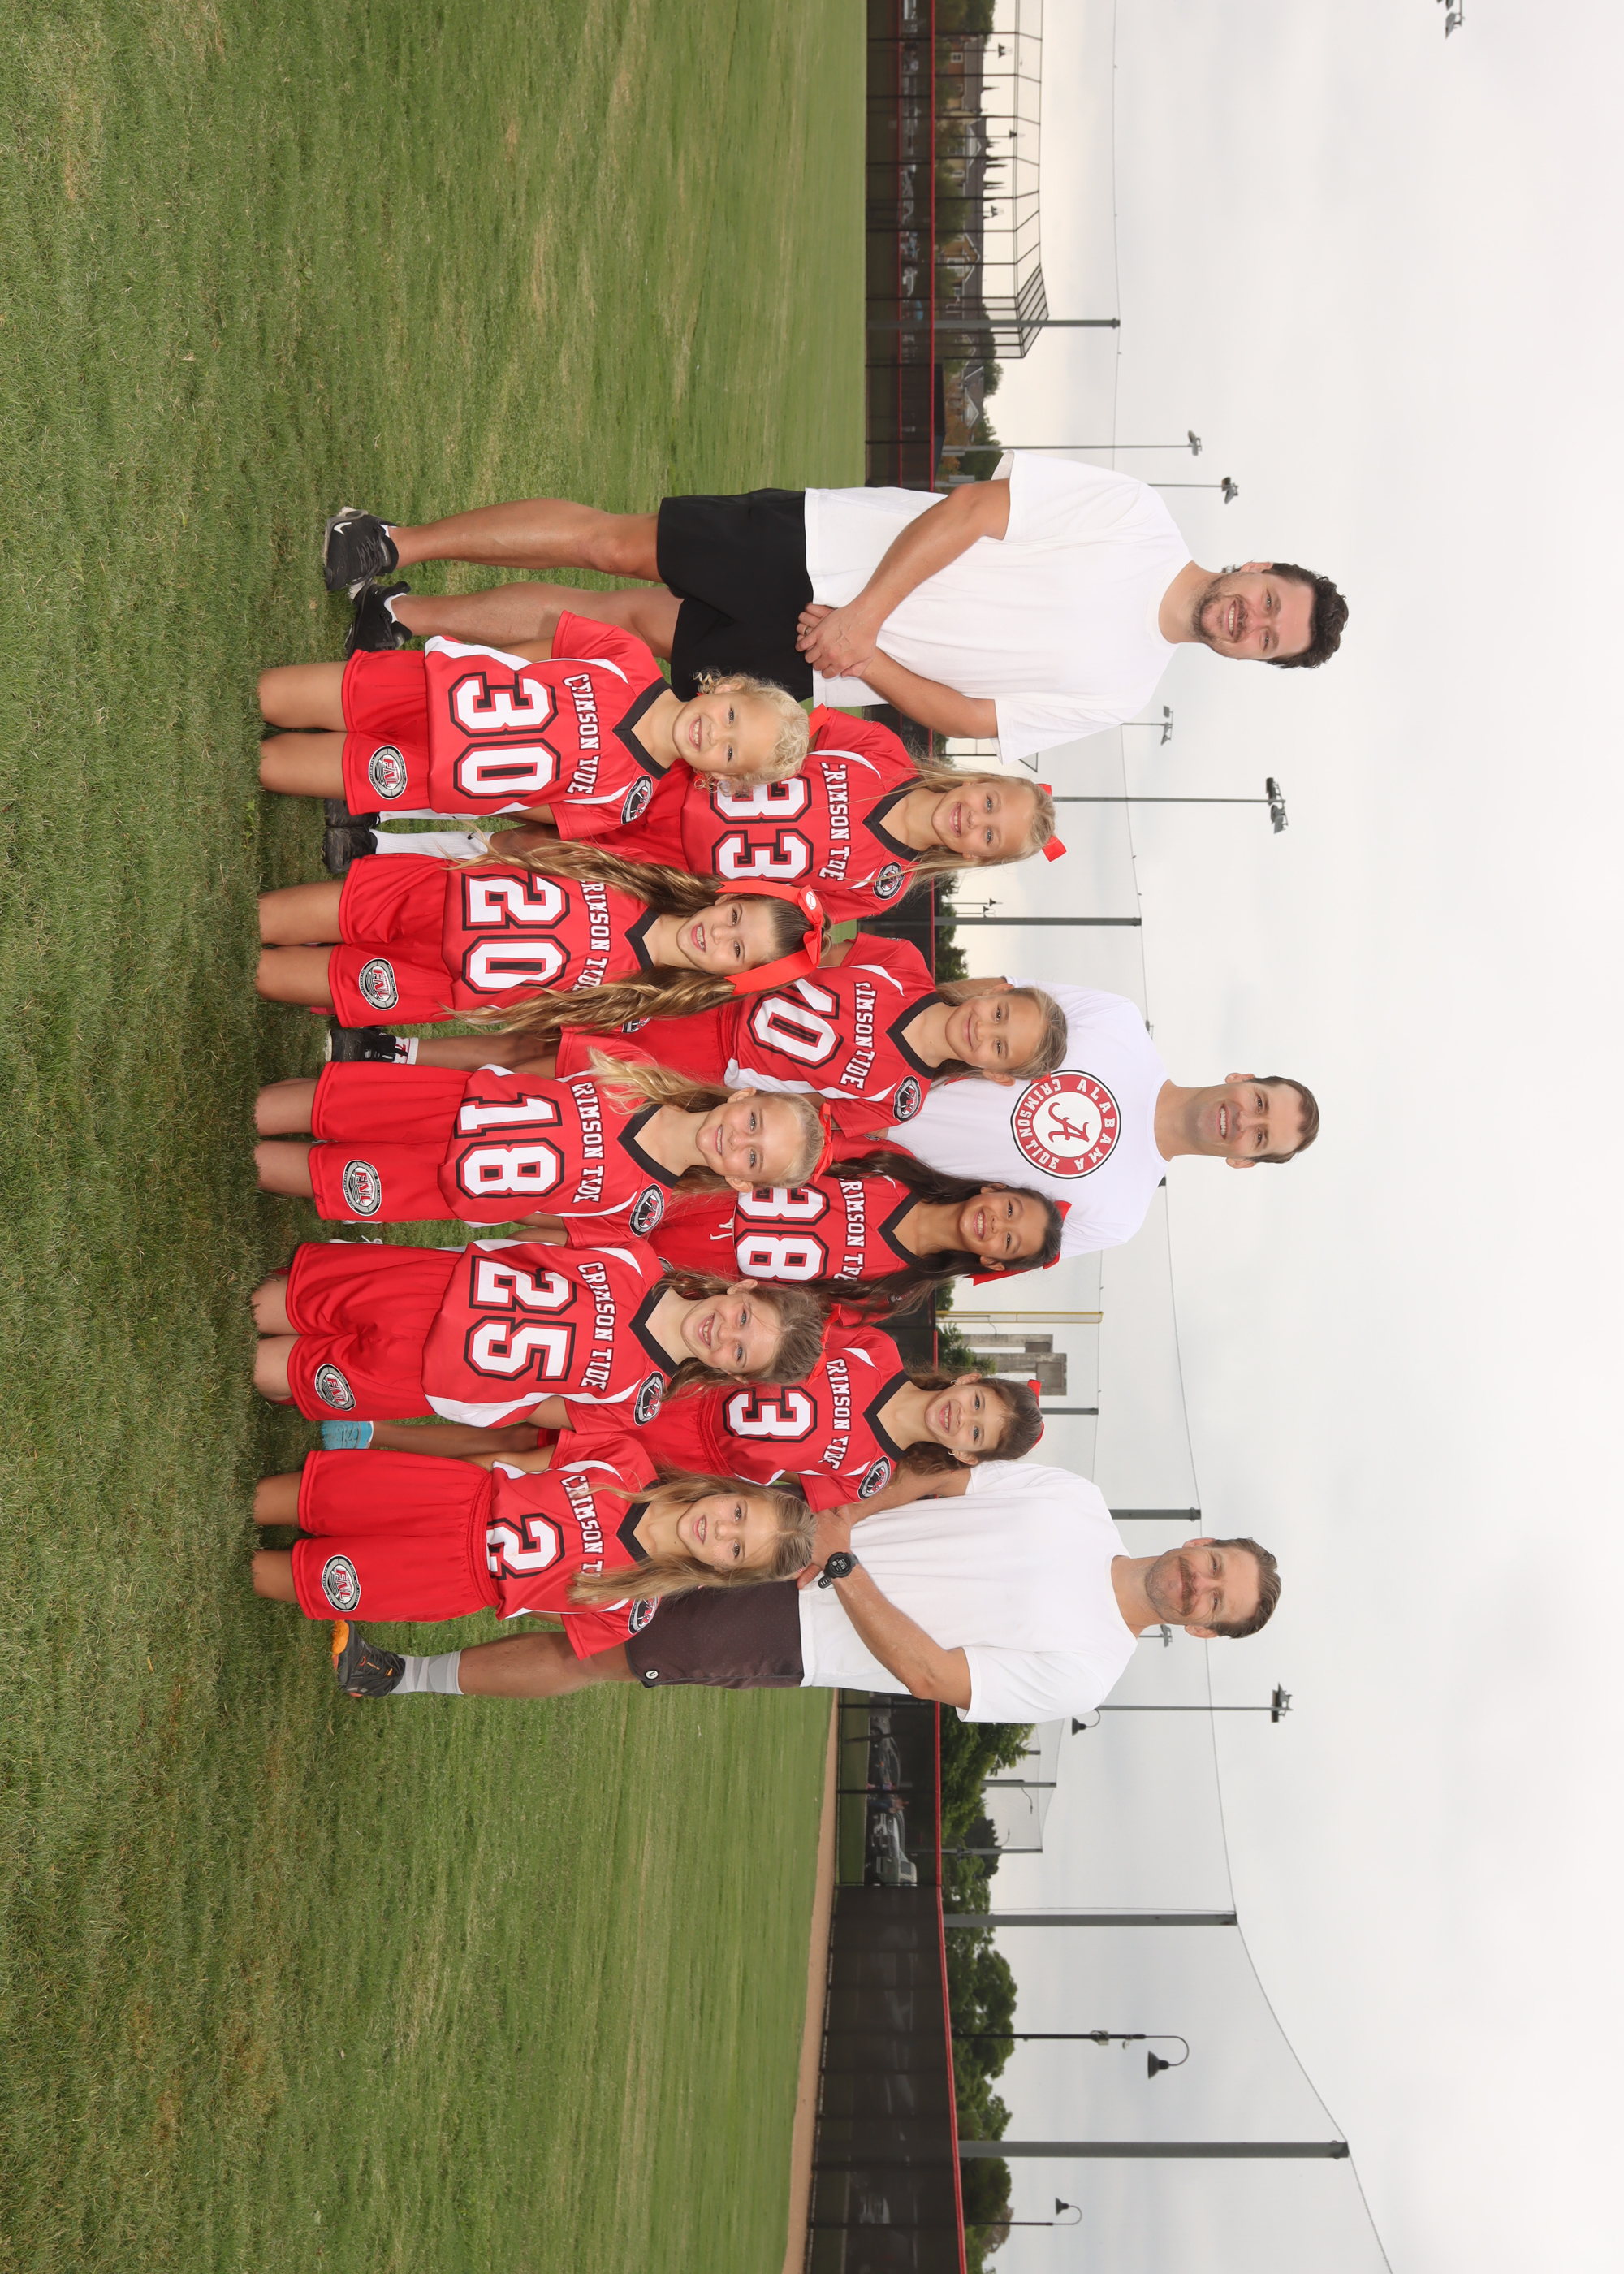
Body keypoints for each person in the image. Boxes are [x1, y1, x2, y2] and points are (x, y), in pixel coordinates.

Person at [318, 469, 1348, 765]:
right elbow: (974, 511)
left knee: (610, 628)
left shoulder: (1123, 691)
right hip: (823, 546)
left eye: (1266, 638)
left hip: (820, 659)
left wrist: (865, 653)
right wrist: (866, 610)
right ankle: (392, 542)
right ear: (1257, 566)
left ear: (1250, 659)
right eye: (1267, 602)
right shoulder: (1136, 518)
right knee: (614, 546)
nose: (1247, 620)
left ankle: (405, 615)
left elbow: (973, 718)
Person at [325, 1457, 1280, 1711]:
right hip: (789, 1534)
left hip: (797, 1633)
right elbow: (937, 1478)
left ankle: (398, 1674)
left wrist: (843, 1571)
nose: (1198, 1583)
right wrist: (836, 1522)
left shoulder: (1088, 1671)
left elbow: (935, 1675)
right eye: (1214, 1565)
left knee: (595, 1650)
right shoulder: (1077, 1499)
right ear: (1198, 1541)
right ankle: (388, 1533)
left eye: (1215, 1601)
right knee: (604, 1522)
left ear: (1201, 1631)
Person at [348, 707, 1064, 922]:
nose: (973, 819)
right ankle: (385, 790)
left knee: (530, 855)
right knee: (531, 787)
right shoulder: (880, 752)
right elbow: (784, 733)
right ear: (980, 780)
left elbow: (783, 909)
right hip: (677, 783)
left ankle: (384, 852)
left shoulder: (880, 888)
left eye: (989, 835)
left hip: (678, 865)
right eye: (990, 802)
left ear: (977, 857)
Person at [257, 616, 807, 849]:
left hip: (425, 773)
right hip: (427, 689)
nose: (714, 736)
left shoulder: (627, 800)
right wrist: (464, 667)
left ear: (718, 778)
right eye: (732, 718)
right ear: (727, 687)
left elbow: (526, 805)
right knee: (271, 695)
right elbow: (523, 658)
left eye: (730, 753)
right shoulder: (628, 657)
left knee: (273, 765)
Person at [250, 1422, 814, 1641]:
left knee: (285, 1578)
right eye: (738, 1513)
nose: (720, 1529)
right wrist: (428, 1477)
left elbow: (544, 1607)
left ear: (723, 1571)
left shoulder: (630, 1606)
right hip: (452, 1497)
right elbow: (512, 1461)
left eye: (735, 1548)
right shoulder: (625, 1460)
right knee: (285, 1499)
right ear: (730, 1489)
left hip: (455, 1580)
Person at [879, 981, 1320, 1260]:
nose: (1244, 1121)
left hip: (864, 1170)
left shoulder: (1119, 1218)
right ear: (1241, 1078)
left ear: (1242, 1162)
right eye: (1259, 1102)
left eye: (1259, 1137)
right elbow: (982, 1000)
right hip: (868, 1071)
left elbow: (976, 1250)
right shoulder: (1116, 1020)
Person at [249, 1237, 827, 1425]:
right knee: (269, 1305)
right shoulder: (636, 1258)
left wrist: (468, 1405)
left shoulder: (638, 1397)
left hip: (433, 1376)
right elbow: (533, 1243)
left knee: (270, 1371)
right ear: (742, 1288)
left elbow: (541, 1408)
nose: (724, 1334)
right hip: (432, 1288)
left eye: (740, 1353)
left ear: (733, 1375)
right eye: (744, 1319)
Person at [253, 842, 823, 1030]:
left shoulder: (636, 1000)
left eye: (737, 949)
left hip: (434, 983)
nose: (718, 934)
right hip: (433, 897)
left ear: (734, 977)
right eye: (734, 916)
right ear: (728, 896)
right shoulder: (642, 874)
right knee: (262, 920)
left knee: (261, 973)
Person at [251, 1050, 829, 1231]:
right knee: (311, 1104)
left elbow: (541, 1220)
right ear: (742, 1096)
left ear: (739, 1180)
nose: (737, 1139)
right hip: (444, 1102)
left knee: (290, 1170)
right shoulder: (635, 1070)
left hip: (443, 1185)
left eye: (753, 1157)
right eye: (754, 1121)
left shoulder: (639, 1209)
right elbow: (523, 1061)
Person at [647, 1144, 1064, 1295]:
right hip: (691, 1193)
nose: (997, 1224)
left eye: (1009, 1241)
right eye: (1011, 1210)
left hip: (688, 1270)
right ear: (994, 1189)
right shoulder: (895, 1165)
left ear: (993, 1262)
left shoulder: (892, 1291)